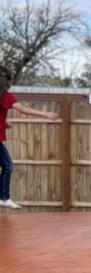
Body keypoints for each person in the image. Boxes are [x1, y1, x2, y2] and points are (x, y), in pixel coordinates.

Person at [0, 66, 59, 209]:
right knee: (7, 166)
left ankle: (3, 197)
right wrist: (46, 114)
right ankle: (4, 197)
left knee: (5, 166)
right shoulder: (6, 96)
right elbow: (22, 109)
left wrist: (4, 122)